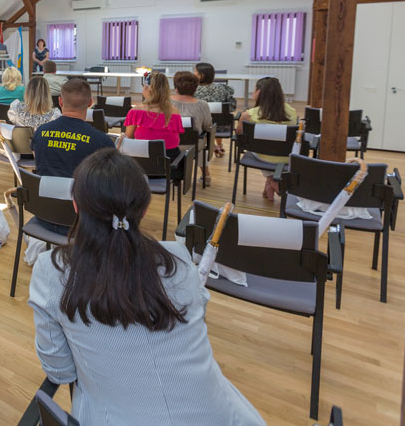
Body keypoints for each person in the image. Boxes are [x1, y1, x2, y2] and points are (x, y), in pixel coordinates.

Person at [28, 149, 263, 425]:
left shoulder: (51, 270)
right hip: (220, 415)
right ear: (145, 209)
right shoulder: (178, 258)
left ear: (76, 206)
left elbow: (61, 372)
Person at [31, 79, 115, 234]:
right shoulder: (102, 141)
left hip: (44, 215)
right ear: (90, 103)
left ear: (60, 101)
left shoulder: (40, 132)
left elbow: (38, 162)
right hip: (85, 221)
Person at [237, 77, 298, 201]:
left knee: (259, 148)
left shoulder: (249, 115)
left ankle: (271, 180)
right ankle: (271, 181)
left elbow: (239, 134)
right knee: (269, 147)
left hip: (262, 155)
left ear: (259, 92)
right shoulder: (292, 113)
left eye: (254, 89)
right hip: (286, 156)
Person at [124, 71, 183, 159]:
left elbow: (129, 137)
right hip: (171, 159)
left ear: (147, 89)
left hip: (143, 158)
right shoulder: (174, 111)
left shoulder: (136, 111)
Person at [172, 71, 214, 185]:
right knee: (200, 139)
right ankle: (206, 175)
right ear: (195, 88)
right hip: (193, 145)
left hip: (170, 144)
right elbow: (208, 125)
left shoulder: (166, 102)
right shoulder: (202, 104)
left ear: (176, 86)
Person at [193, 62, 236, 157]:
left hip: (200, 127)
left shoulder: (193, 90)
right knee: (218, 118)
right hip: (221, 126)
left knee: (201, 121)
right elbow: (232, 107)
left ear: (200, 75)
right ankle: (219, 145)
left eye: (194, 71)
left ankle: (212, 146)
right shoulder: (223, 89)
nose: (193, 74)